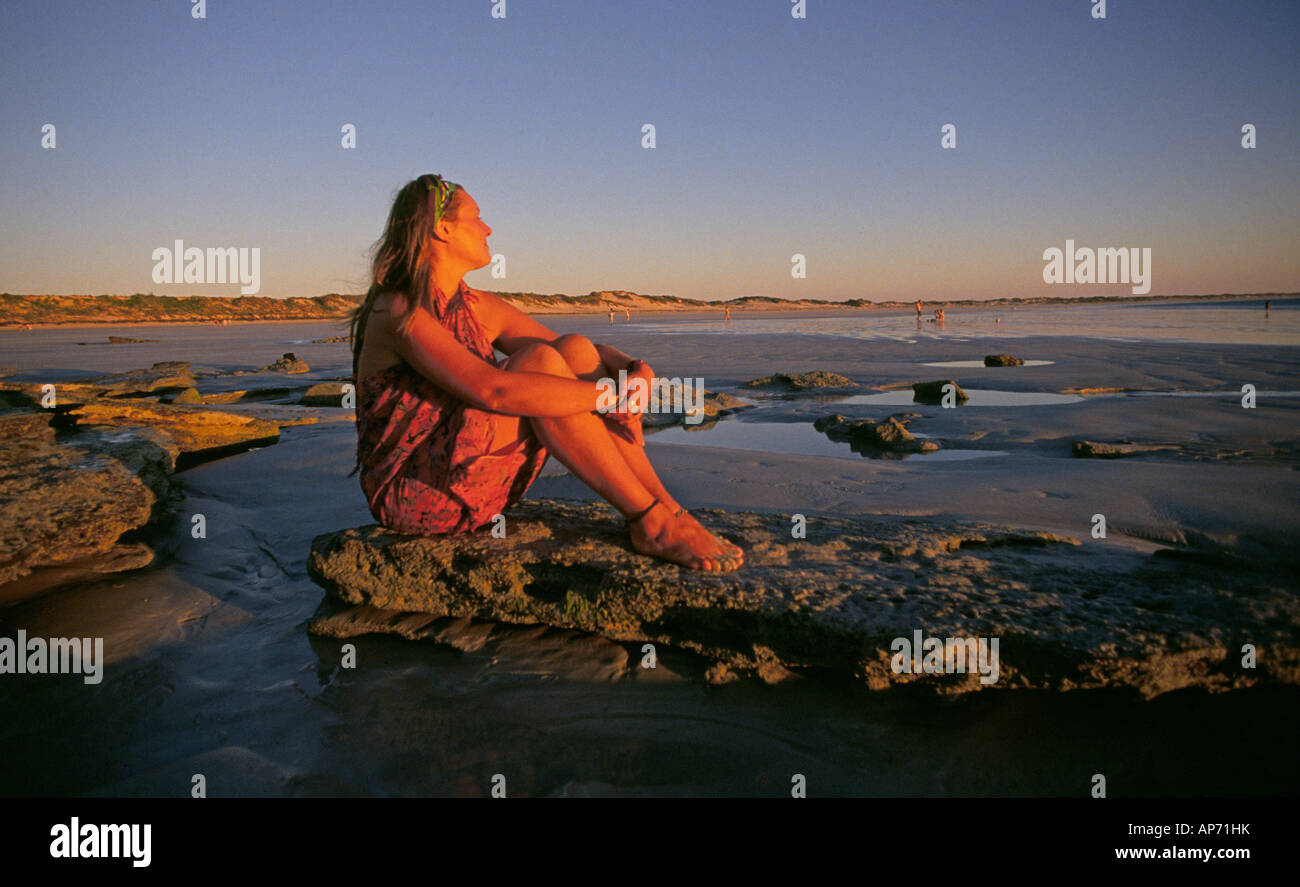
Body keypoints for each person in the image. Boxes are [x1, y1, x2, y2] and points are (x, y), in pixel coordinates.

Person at [348, 174, 743, 572]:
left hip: (472, 476)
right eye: (476, 217)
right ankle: (649, 520)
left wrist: (636, 371)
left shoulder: (477, 306)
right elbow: (493, 392)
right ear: (442, 228)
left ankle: (669, 511)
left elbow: (581, 352)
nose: (488, 228)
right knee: (539, 363)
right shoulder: (398, 310)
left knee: (572, 350)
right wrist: (612, 397)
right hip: (416, 495)